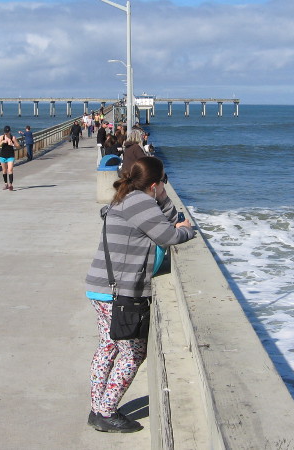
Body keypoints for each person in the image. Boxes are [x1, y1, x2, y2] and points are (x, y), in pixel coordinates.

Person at [84, 156, 194, 433]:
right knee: (133, 354)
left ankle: (98, 409)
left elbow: (163, 219)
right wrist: (188, 232)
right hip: (119, 291)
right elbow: (169, 235)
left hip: (101, 287)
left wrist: (162, 194)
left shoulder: (128, 198)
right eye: (163, 182)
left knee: (108, 347)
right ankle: (107, 412)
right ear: (154, 184)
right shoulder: (140, 202)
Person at [0, 125, 20, 191]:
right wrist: (2, 142)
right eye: (5, 132)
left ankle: (10, 185)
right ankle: (6, 183)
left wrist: (12, 144)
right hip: (3, 155)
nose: (6, 134)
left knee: (10, 169)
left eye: (7, 132)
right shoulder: (2, 137)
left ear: (9, 132)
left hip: (10, 156)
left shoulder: (13, 137)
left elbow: (18, 146)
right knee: (4, 170)